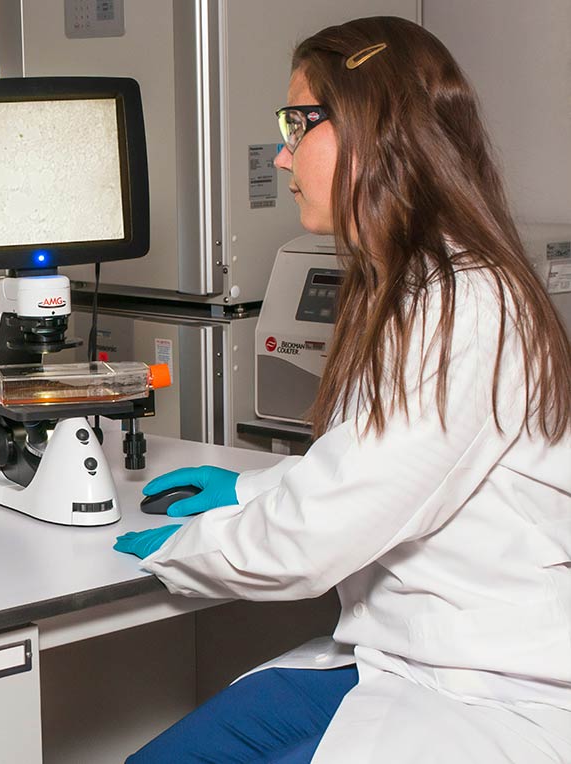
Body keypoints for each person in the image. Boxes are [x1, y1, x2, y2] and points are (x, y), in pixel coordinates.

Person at [114, 16, 571, 763]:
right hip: (398, 657)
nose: (283, 153)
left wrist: (180, 550)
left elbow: (318, 534)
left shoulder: (465, 306)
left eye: (300, 123)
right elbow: (380, 475)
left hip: (483, 688)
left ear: (375, 129)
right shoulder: (413, 285)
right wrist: (247, 490)